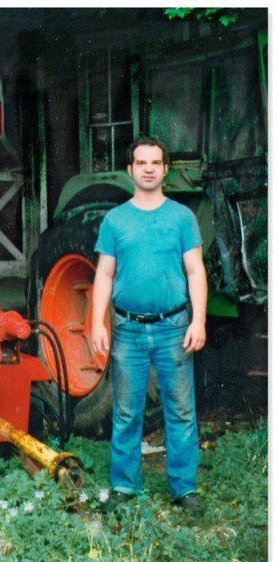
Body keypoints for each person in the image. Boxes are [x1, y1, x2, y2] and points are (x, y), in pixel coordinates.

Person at [91, 136, 207, 513]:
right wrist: (97, 323)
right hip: (127, 329)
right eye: (141, 163)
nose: (148, 169)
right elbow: (104, 276)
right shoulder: (115, 220)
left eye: (156, 162)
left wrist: (199, 320)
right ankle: (125, 485)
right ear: (130, 170)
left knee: (181, 410)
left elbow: (195, 271)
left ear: (165, 169)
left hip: (175, 326)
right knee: (126, 411)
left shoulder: (182, 218)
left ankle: (183, 488)